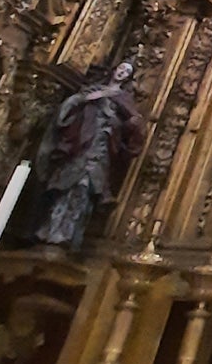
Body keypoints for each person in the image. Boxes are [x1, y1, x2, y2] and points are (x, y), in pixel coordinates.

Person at [33, 62, 146, 250]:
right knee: (64, 186)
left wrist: (119, 125)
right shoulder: (95, 89)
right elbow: (71, 106)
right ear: (114, 69)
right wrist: (87, 100)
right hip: (81, 143)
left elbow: (132, 125)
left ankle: (67, 236)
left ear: (128, 78)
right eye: (121, 68)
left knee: (84, 188)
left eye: (127, 72)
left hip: (100, 149)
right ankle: (49, 229)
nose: (122, 73)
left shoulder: (123, 98)